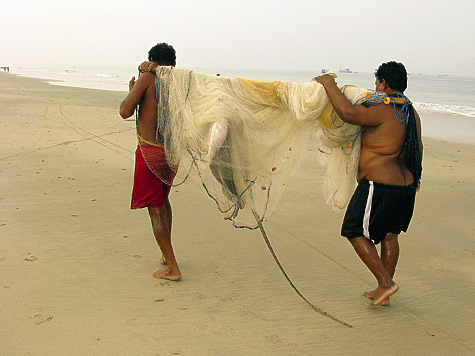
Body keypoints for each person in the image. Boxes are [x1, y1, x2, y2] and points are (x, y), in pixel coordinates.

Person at [314, 61, 423, 306]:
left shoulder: (385, 107)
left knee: (353, 230)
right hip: (405, 186)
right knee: (389, 237)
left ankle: (386, 283)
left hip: (380, 184)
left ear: (384, 83)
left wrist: (330, 85)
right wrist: (417, 179)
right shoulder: (410, 112)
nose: (375, 88)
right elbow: (417, 149)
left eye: (377, 83)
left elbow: (349, 114)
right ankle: (382, 291)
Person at [120, 42, 182, 281]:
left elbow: (125, 111)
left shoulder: (148, 77)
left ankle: (172, 267)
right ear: (173, 64)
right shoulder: (178, 82)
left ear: (153, 61)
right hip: (172, 155)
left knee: (154, 207)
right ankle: (166, 256)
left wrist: (132, 89)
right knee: (163, 199)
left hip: (150, 153)